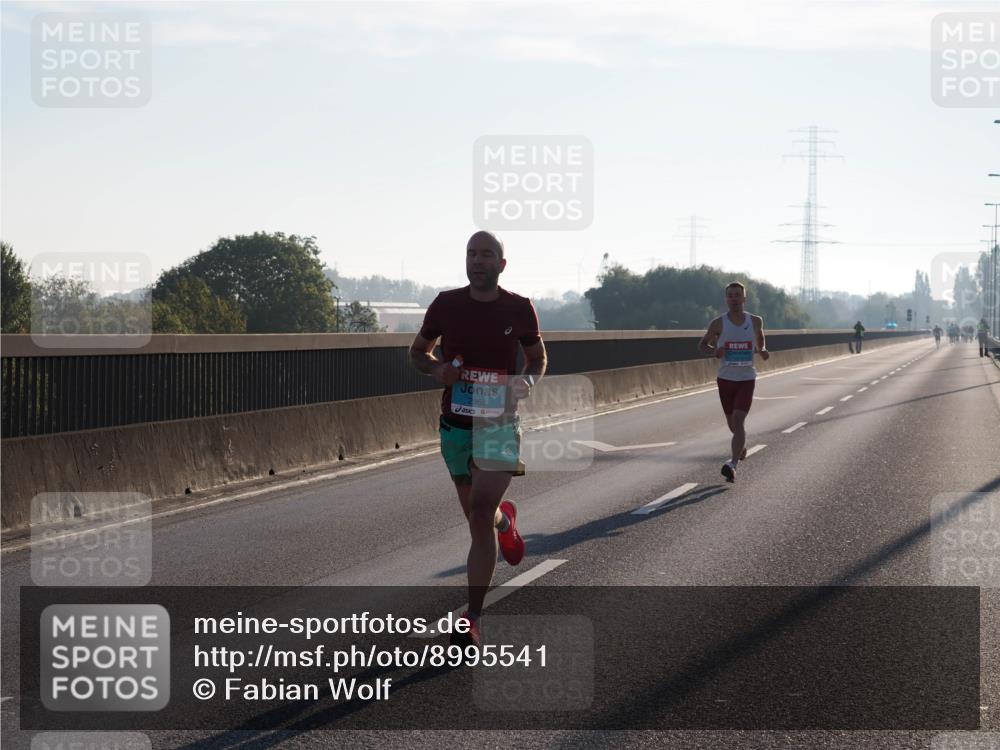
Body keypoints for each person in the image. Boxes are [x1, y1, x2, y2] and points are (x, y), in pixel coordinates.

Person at [409, 230, 547, 648]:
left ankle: (471, 617)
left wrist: (527, 379)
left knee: (480, 508)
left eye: (487, 254)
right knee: (479, 517)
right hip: (455, 426)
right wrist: (436, 370)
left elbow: (537, 358)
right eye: (472, 253)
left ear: (501, 265)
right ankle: (505, 522)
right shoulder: (446, 304)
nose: (478, 260)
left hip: (499, 425)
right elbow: (418, 352)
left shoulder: (519, 308)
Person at [698, 281, 770, 483]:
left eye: (738, 295)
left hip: (746, 379)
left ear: (744, 299)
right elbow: (702, 345)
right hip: (725, 379)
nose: (734, 299)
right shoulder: (718, 323)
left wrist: (762, 349)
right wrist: (715, 351)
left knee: (738, 420)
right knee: (732, 425)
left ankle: (733, 465)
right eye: (730, 295)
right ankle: (740, 447)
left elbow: (760, 337)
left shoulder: (755, 321)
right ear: (726, 299)